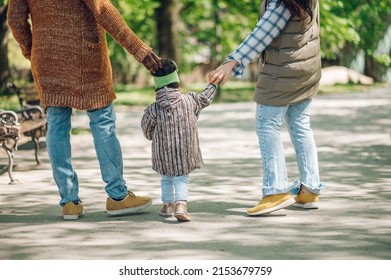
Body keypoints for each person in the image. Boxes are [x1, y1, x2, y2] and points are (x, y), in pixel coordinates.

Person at [7, 0, 162, 220]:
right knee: (103, 123)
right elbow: (103, 10)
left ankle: (69, 202)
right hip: (85, 56)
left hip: (46, 58)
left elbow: (15, 20)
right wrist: (140, 51)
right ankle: (117, 196)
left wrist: (32, 49)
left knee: (57, 125)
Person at [209, 0, 325, 216]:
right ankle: (310, 189)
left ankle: (275, 191)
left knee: (266, 124)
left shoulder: (282, 2)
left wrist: (232, 62)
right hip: (306, 70)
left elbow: (262, 34)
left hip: (282, 72)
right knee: (300, 125)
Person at [141, 58, 217, 222]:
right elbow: (205, 98)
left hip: (163, 153)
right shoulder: (190, 101)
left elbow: (146, 130)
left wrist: (153, 136)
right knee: (181, 176)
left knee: (166, 177)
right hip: (185, 150)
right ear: (177, 82)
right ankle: (181, 205)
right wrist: (213, 84)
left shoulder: (153, 109)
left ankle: (168, 205)